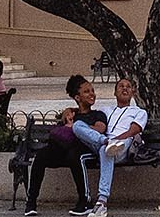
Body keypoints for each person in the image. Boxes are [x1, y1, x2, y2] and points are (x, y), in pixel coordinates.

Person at [22, 74, 103, 217]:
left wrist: (77, 127)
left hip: (86, 152)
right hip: (64, 151)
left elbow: (100, 129)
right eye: (86, 91)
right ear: (77, 97)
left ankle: (85, 201)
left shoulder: (97, 115)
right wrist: (68, 119)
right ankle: (31, 202)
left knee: (75, 156)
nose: (92, 94)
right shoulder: (71, 114)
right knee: (41, 156)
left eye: (92, 90)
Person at [70, 75, 146, 217]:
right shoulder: (105, 110)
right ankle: (105, 142)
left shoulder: (139, 112)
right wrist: (67, 111)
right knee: (77, 125)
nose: (124, 89)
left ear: (133, 93)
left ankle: (102, 202)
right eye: (121, 86)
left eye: (128, 87)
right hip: (103, 143)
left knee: (108, 150)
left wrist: (115, 140)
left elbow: (133, 131)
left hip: (123, 145)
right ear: (115, 92)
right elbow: (83, 111)